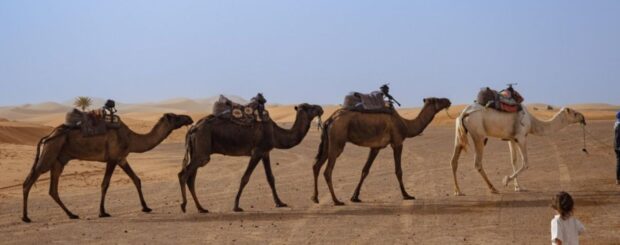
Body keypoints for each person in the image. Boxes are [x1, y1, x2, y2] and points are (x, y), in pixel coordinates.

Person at [615, 111, 620, 185]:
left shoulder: (617, 124)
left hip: (617, 146)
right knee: (619, 163)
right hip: (619, 147)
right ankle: (618, 179)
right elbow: (618, 138)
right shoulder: (619, 126)